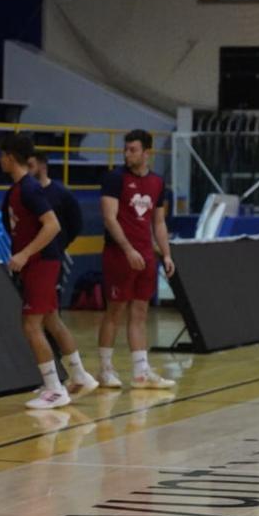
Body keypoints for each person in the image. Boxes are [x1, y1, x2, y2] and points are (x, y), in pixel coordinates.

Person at [0, 133, 98, 410]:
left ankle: (54, 388)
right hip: (42, 262)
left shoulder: (29, 189)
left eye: (1, 155)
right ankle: (79, 375)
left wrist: (24, 253)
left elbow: (52, 225)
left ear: (8, 157)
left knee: (31, 325)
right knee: (52, 319)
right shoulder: (18, 189)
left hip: (41, 262)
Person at [96, 129, 176, 390]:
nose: (127, 154)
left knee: (141, 311)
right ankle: (105, 369)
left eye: (133, 150)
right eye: (126, 149)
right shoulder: (114, 178)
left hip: (146, 256)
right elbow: (109, 218)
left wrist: (165, 253)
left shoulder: (157, 182)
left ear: (146, 153)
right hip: (119, 255)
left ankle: (141, 371)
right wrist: (128, 249)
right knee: (115, 311)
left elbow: (159, 222)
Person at [26, 149, 98, 396]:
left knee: (40, 320)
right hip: (38, 262)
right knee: (50, 318)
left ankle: (56, 382)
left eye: (32, 163)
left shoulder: (60, 194)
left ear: (42, 165)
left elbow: (75, 223)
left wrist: (59, 245)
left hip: (50, 261)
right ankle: (73, 375)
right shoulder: (29, 192)